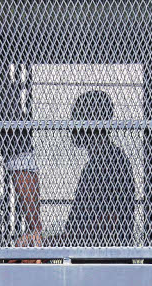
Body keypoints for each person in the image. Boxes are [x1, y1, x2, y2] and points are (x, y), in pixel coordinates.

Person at [58, 90, 135, 248]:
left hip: (104, 261)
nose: (72, 124)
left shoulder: (112, 164)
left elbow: (103, 228)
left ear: (92, 120)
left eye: (77, 116)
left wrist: (51, 243)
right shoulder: (97, 164)